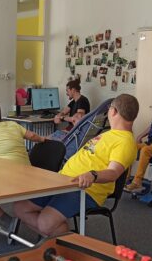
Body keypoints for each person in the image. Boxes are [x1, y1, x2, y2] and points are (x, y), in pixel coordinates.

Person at [13, 94, 139, 237]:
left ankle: (62, 239)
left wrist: (92, 175)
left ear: (113, 111)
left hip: (85, 190)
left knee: (44, 223)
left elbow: (114, 172)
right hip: (62, 181)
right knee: (20, 208)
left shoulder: (125, 141)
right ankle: (58, 236)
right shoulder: (108, 134)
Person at [0, 101, 45, 228]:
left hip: (5, 179)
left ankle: (6, 219)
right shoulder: (13, 124)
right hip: (27, 175)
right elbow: (32, 135)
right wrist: (43, 139)